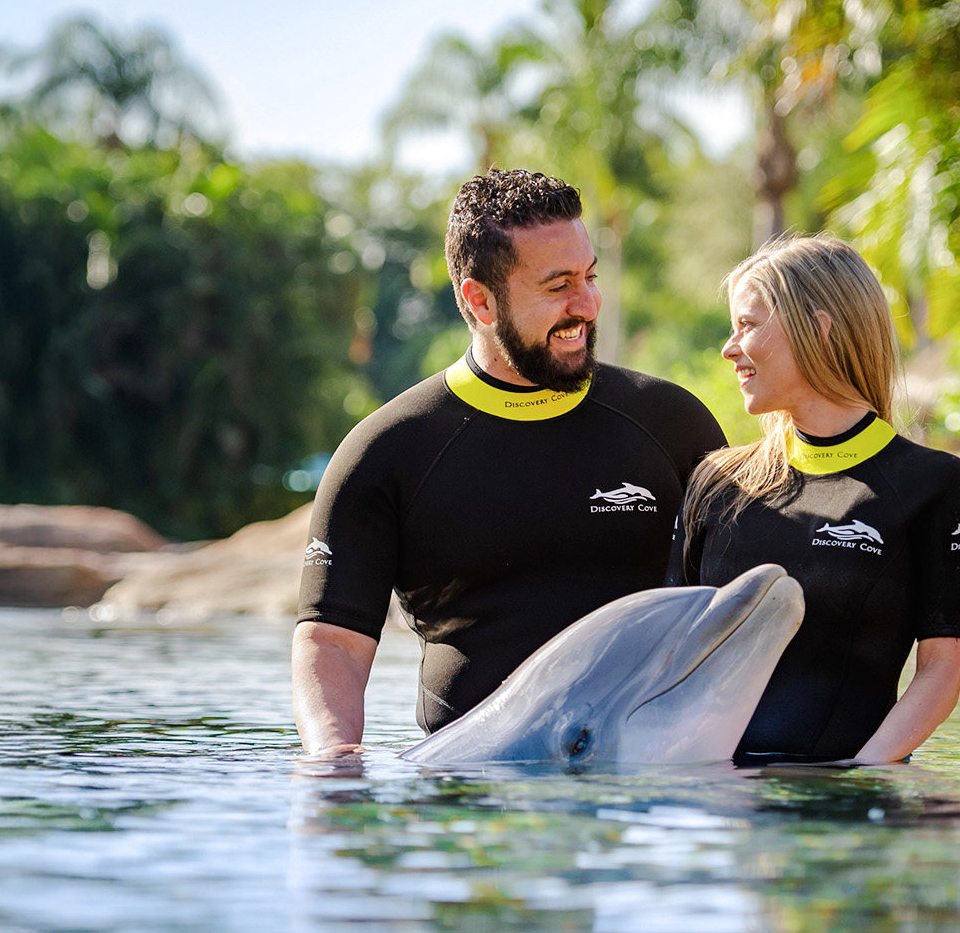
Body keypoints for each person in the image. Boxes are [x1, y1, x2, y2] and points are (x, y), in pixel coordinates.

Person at [293, 169, 726, 757]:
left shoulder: (671, 425)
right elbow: (333, 643)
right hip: (469, 791)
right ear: (479, 300)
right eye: (558, 286)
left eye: (590, 276)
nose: (587, 304)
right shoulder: (388, 452)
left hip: (641, 792)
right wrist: (333, 765)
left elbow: (729, 610)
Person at [667, 235, 960, 765]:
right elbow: (669, 655)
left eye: (747, 325)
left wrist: (856, 781)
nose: (728, 348)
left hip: (846, 813)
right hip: (715, 807)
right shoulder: (717, 481)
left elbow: (941, 674)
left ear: (817, 329)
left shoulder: (936, 486)